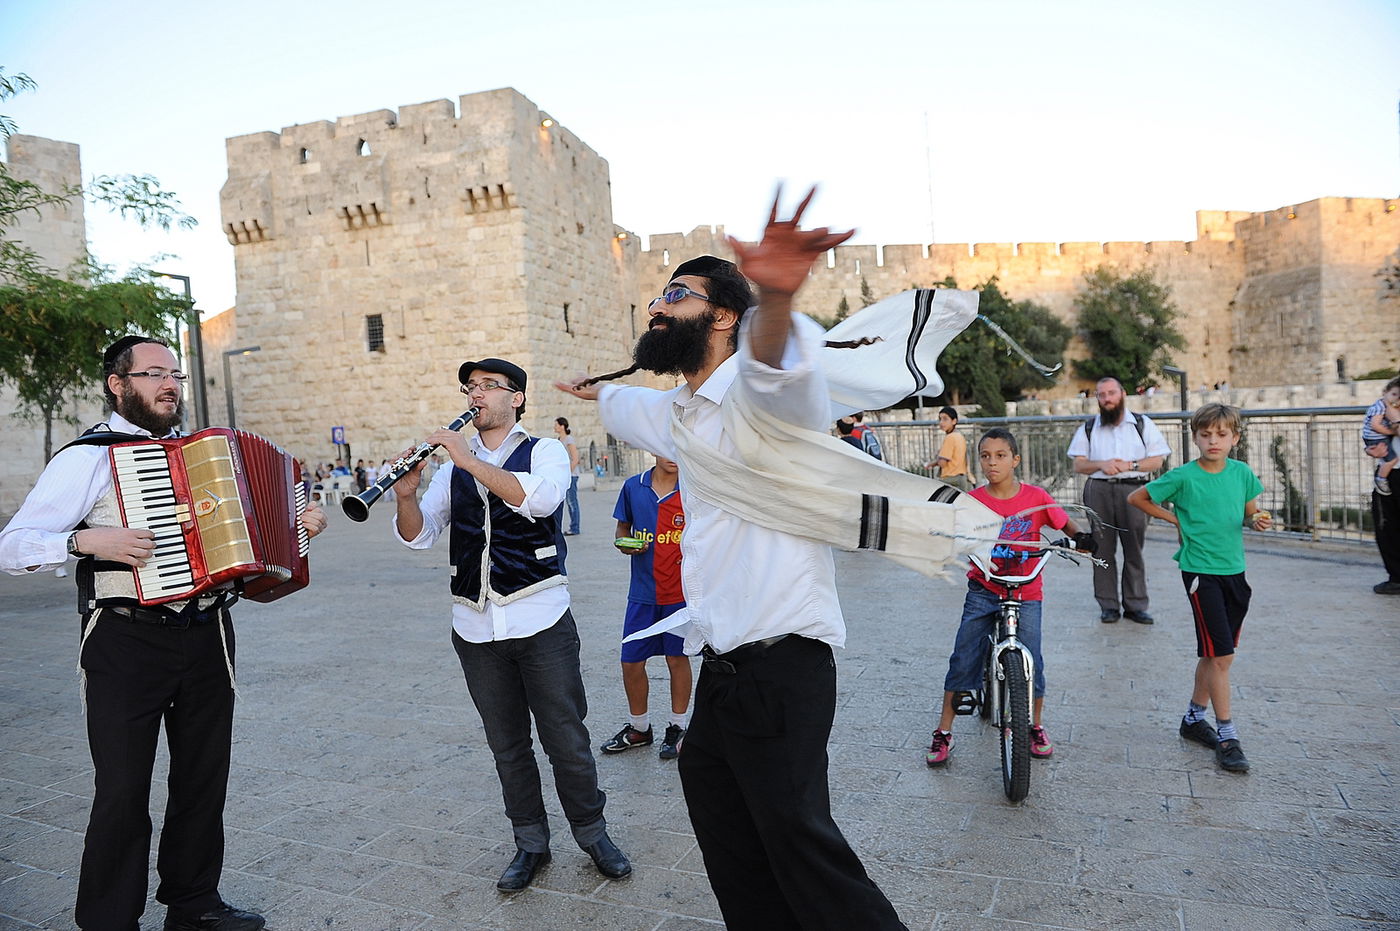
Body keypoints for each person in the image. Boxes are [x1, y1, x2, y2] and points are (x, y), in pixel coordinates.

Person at [556, 191, 915, 930]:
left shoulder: (761, 394)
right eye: (656, 295)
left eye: (676, 295)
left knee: (807, 853)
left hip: (782, 669)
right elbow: (628, 405)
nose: (658, 306)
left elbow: (783, 366)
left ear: (723, 316)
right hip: (722, 673)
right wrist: (596, 391)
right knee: (725, 824)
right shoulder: (679, 412)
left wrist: (776, 296)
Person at [0, 335, 328, 931]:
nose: (169, 384)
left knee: (203, 778)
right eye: (153, 374)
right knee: (123, 791)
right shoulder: (87, 458)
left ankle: (194, 902)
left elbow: (253, 529)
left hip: (207, 633)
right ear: (117, 384)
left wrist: (298, 523)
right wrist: (83, 541)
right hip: (124, 639)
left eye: (174, 373)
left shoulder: (205, 455)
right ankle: (108, 921)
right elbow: (12, 546)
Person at [391, 357, 629, 893]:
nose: (475, 395)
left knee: (565, 738)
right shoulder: (453, 466)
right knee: (507, 746)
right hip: (474, 628)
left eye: (487, 387)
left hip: (541, 617)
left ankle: (593, 834)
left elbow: (537, 499)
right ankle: (530, 843)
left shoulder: (543, 450)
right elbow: (418, 536)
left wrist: (465, 460)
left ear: (516, 398)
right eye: (469, 387)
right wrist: (406, 495)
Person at [926, 428, 1092, 767]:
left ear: (1015, 460)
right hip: (985, 588)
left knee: (1034, 662)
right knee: (963, 656)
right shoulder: (973, 501)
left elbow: (1065, 525)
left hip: (1026, 587)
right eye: (985, 456)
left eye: (1000, 456)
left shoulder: (1035, 497)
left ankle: (1034, 726)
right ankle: (944, 730)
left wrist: (1083, 538)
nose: (992, 463)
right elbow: (953, 529)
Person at [1128, 403, 1271, 772]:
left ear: (1234, 438)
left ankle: (1193, 719)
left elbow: (1248, 511)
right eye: (1205, 434)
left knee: (1214, 653)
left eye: (1221, 434)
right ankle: (1227, 735)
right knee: (1223, 656)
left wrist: (1257, 519)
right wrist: (1174, 516)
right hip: (1199, 573)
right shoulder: (1183, 476)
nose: (1213, 441)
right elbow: (1138, 497)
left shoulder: (1241, 473)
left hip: (1235, 572)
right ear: (1195, 437)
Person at [602, 455, 691, 760]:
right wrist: (626, 543)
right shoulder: (633, 487)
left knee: (677, 660)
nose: (674, 456)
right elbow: (621, 530)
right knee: (631, 662)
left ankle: (678, 727)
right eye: (666, 448)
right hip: (642, 594)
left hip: (681, 596)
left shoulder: (693, 488)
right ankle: (639, 728)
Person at [1066, 376, 1171, 624]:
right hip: (1099, 490)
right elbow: (1078, 463)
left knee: (1134, 549)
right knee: (1102, 548)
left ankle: (1136, 605)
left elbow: (1157, 460)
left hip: (1134, 491)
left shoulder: (1142, 424)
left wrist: (1131, 465)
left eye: (1111, 393)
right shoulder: (1089, 427)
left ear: (1122, 394)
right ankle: (1108, 605)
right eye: (1102, 395)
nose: (1107, 399)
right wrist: (1101, 464)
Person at [1362, 376, 1400, 497]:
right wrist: (1369, 449)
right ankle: (1381, 479)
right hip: (1392, 471)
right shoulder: (1384, 408)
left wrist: (1395, 419)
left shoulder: (1389, 410)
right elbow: (1374, 428)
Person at [554, 416, 582, 534]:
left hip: (571, 476)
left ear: (562, 426)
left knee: (572, 502)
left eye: (556, 424)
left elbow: (575, 459)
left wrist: (567, 473)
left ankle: (575, 528)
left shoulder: (569, 440)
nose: (554, 427)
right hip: (562, 476)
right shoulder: (559, 440)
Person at [933, 405, 970, 490]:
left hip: (951, 479)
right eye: (940, 419)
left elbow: (942, 463)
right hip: (961, 477)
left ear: (954, 421)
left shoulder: (950, 438)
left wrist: (938, 455)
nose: (941, 422)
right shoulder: (959, 436)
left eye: (945, 419)